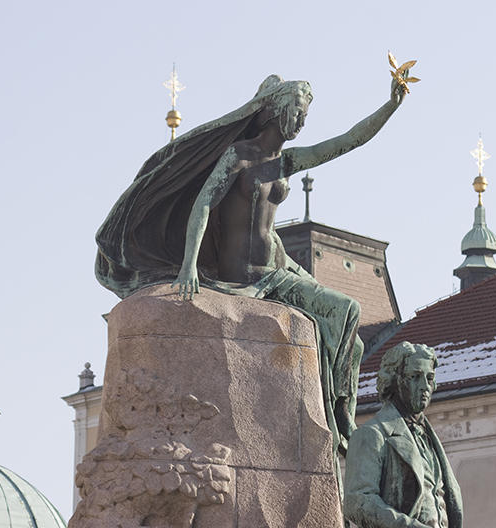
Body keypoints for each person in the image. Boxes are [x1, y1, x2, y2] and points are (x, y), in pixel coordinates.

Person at [95, 70, 411, 480]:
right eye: (298, 110)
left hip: (277, 274)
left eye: (306, 113)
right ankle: (336, 415)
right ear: (276, 110)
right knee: (339, 320)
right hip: (239, 278)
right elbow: (204, 205)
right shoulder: (238, 156)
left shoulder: (288, 161)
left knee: (347, 310)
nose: (302, 120)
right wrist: (190, 264)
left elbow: (347, 141)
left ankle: (340, 416)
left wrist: (389, 105)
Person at [343, 342, 463, 528]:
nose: (425, 386)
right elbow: (357, 502)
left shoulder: (429, 438)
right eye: (415, 377)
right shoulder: (372, 435)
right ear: (394, 380)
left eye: (429, 378)